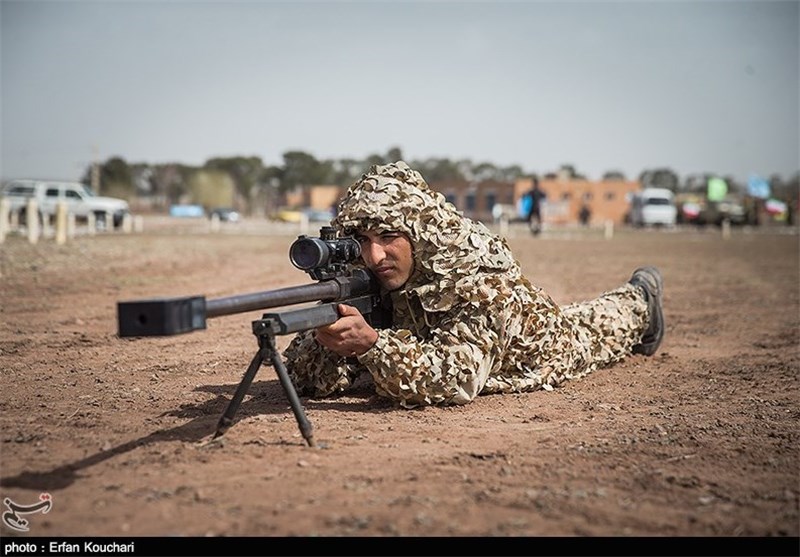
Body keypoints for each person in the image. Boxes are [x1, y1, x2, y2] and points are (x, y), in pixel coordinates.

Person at [283, 161, 664, 408]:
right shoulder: (372, 275)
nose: (376, 256)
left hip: (538, 346)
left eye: (388, 236)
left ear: (420, 235)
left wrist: (373, 344)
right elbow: (308, 379)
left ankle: (641, 297)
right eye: (362, 241)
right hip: (463, 336)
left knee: (599, 325)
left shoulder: (477, 281)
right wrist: (325, 337)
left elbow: (455, 380)